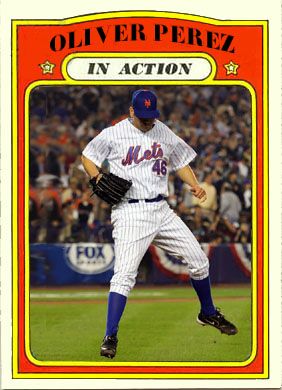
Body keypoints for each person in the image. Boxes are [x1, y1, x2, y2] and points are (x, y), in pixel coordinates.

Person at [81, 89, 238, 359]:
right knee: (124, 277)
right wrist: (96, 177)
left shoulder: (162, 130)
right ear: (131, 111)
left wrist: (195, 185)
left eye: (151, 116)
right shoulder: (113, 133)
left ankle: (208, 312)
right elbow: (88, 156)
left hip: (161, 209)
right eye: (143, 117)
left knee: (199, 261)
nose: (148, 121)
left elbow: (181, 161)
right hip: (130, 213)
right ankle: (110, 336)